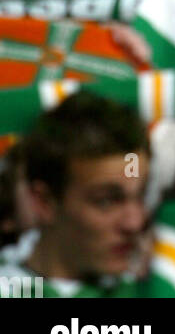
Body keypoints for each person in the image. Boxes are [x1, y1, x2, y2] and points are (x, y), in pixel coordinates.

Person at [0, 91, 150, 293]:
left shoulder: (169, 286)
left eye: (140, 196)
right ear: (44, 202)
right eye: (106, 202)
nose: (134, 223)